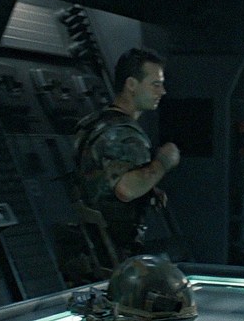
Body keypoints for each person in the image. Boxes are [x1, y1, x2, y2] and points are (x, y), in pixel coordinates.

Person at [71, 47, 180, 267]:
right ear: (131, 84)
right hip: (117, 257)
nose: (163, 91)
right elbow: (126, 189)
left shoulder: (94, 123)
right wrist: (163, 162)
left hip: (89, 251)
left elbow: (100, 181)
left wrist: (148, 189)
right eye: (155, 84)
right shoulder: (124, 133)